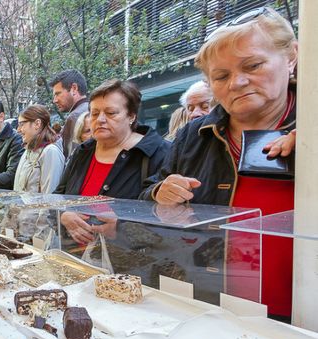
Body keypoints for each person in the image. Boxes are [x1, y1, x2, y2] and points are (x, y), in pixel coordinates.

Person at [140, 7, 297, 320]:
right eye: (221, 76)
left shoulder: (311, 128)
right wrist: (160, 192)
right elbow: (145, 199)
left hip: (301, 321)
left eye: (253, 65)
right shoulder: (193, 135)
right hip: (208, 309)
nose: (237, 82)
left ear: (292, 57)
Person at [54, 79, 169, 244]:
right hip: (76, 257)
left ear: (131, 116)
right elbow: (59, 196)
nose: (100, 119)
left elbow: (169, 218)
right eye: (94, 113)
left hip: (127, 263)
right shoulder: (83, 151)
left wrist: (121, 229)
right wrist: (63, 215)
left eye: (111, 113)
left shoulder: (158, 152)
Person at [14, 105, 65, 193]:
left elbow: (50, 199)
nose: (18, 130)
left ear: (37, 124)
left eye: (22, 124)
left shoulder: (51, 152)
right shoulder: (27, 151)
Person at [49, 69, 89, 158]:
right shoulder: (91, 110)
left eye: (58, 94)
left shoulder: (75, 117)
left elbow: (71, 161)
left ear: (74, 89)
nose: (55, 100)